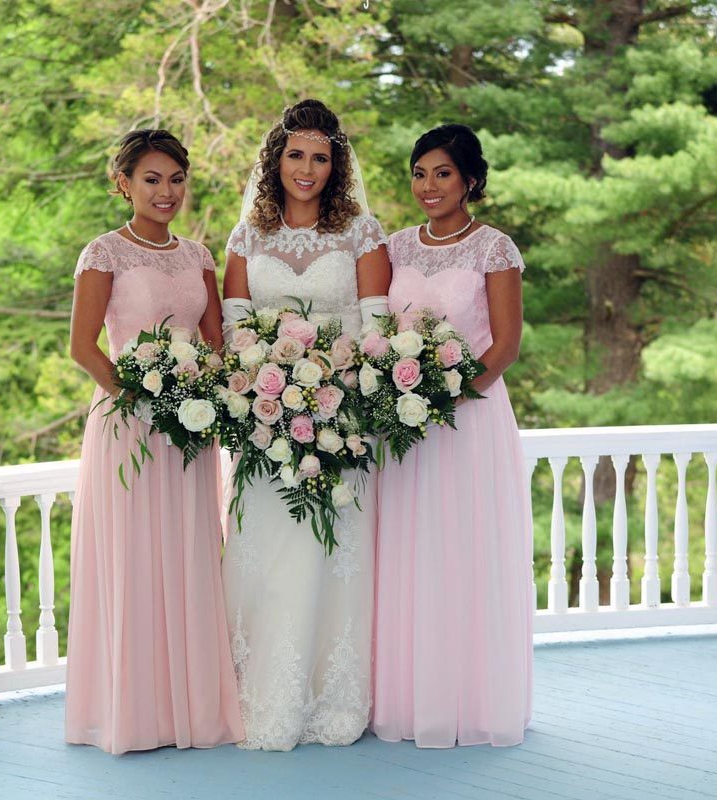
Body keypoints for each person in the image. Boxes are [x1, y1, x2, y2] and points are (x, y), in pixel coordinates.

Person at [64, 129, 244, 754]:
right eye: (152, 179)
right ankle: (135, 714)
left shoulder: (198, 256)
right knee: (135, 558)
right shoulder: (104, 253)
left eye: (176, 180)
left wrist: (202, 397)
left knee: (190, 554)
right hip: (128, 427)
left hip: (191, 431)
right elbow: (83, 347)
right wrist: (142, 399)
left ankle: (187, 710)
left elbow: (216, 344)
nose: (166, 192)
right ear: (124, 184)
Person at [220, 99, 391, 751]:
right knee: (268, 558)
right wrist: (269, 386)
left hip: (341, 420)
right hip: (264, 423)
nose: (307, 168)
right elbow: (235, 328)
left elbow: (376, 327)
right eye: (296, 155)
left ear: (336, 166)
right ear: (275, 160)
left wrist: (331, 389)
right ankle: (260, 697)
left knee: (328, 556)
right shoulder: (247, 237)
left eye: (321, 158)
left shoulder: (361, 234)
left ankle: (328, 698)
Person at [372, 123, 533, 748]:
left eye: (442, 173)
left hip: (470, 421)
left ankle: (473, 702)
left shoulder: (494, 249)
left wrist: (445, 397)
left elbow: (506, 345)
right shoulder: (395, 248)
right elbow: (378, 330)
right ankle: (411, 700)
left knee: (464, 552)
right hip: (402, 427)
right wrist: (399, 395)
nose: (428, 185)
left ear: (470, 179)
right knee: (408, 553)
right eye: (419, 173)